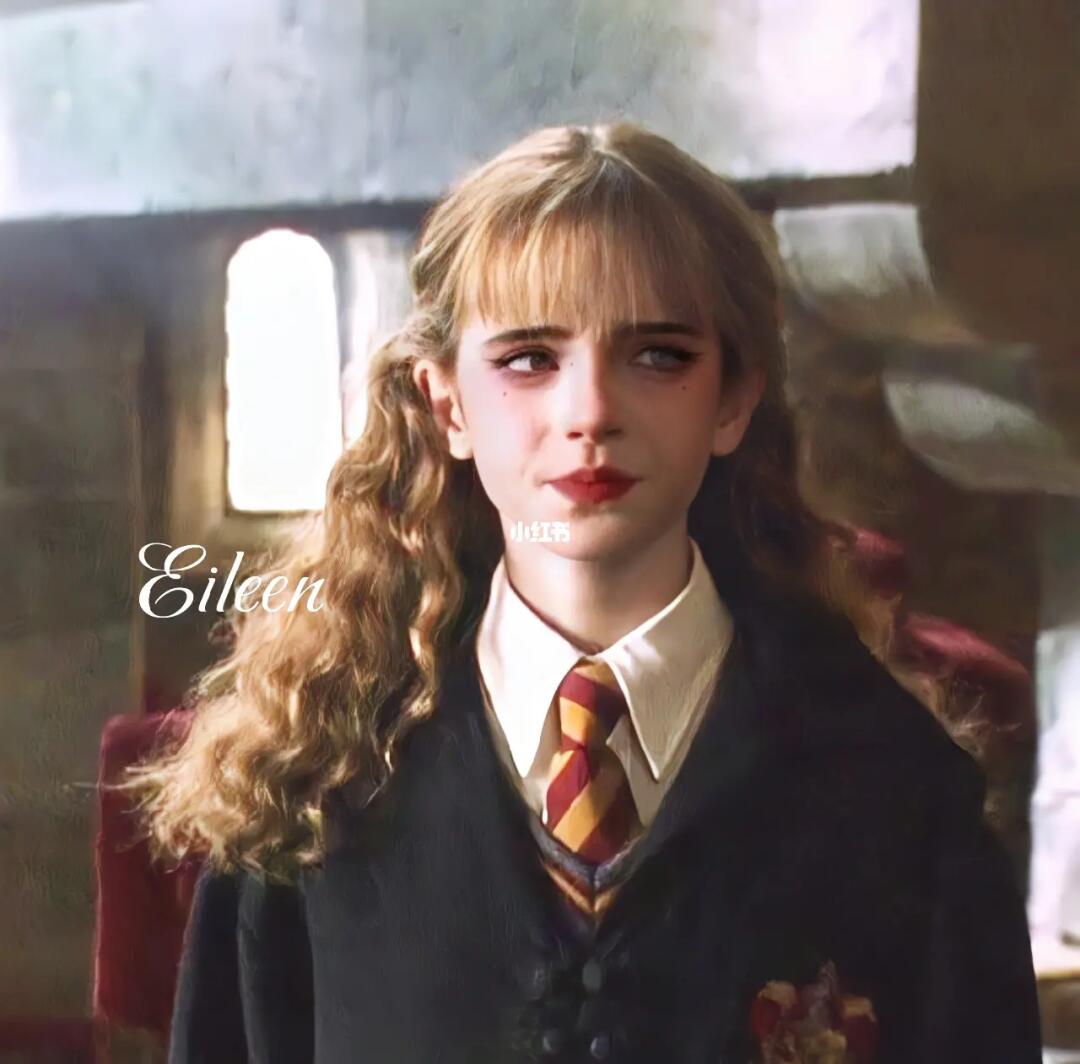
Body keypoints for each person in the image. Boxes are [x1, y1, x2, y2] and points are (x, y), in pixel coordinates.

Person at [117, 122, 1042, 1063]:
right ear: (447, 404)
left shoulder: (893, 788)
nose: (591, 411)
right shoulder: (311, 789)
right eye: (529, 358)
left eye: (658, 355)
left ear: (732, 400)